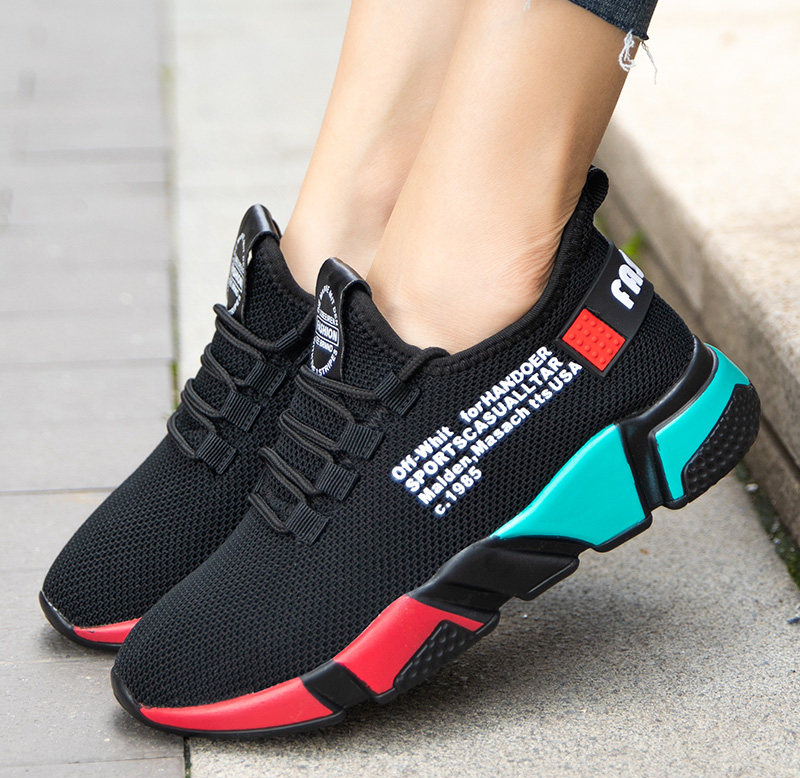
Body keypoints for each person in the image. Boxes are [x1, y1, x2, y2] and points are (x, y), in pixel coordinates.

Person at [42, 0, 760, 736]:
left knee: (472, 245)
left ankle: (483, 276)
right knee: (362, 198)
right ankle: (365, 226)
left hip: (542, 329)